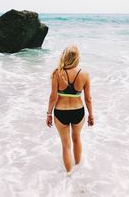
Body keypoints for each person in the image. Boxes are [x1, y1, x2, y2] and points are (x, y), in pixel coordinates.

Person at [46, 45, 94, 173]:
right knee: (77, 139)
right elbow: (88, 98)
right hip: (78, 111)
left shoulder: (58, 73)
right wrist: (91, 115)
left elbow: (52, 97)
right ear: (77, 58)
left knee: (66, 145)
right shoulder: (84, 74)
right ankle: (78, 170)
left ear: (65, 56)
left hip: (61, 112)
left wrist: (49, 113)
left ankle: (68, 176)